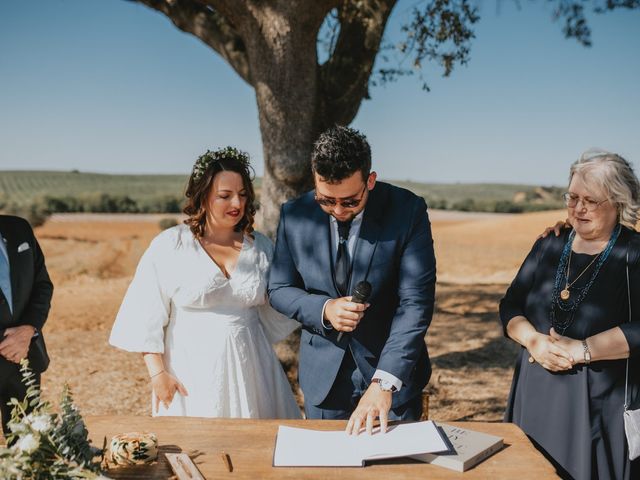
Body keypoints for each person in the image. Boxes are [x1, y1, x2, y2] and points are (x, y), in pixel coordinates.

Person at [109, 147, 301, 419]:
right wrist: (158, 373)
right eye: (225, 196)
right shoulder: (171, 245)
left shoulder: (261, 248)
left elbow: (282, 302)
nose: (237, 204)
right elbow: (145, 314)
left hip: (253, 369)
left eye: (243, 195)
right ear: (203, 197)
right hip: (190, 371)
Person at [268, 126, 436, 434]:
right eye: (326, 200)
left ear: (370, 180)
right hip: (324, 384)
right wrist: (325, 309)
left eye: (350, 201)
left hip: (393, 380)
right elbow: (278, 288)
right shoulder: (294, 214)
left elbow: (416, 302)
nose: (337, 211)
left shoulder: (408, 211)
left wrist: (385, 381)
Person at [500, 149, 640, 479]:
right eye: (572, 197)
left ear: (618, 201)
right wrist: (532, 340)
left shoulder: (633, 254)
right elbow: (510, 304)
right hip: (533, 393)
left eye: (590, 200)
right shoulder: (549, 243)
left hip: (595, 406)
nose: (578, 208)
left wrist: (583, 349)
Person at [0, 215, 53, 436]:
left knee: (26, 450)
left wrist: (28, 329)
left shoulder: (19, 228)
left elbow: (43, 286)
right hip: (13, 347)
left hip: (24, 358)